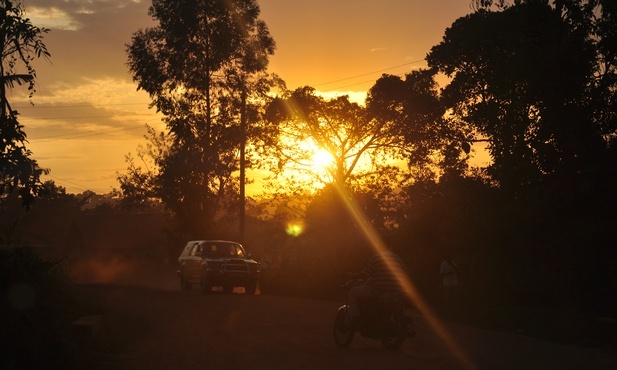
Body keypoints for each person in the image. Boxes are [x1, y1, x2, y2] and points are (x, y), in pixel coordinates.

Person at [347, 249, 406, 327]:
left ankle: (355, 318)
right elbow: (404, 276)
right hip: (395, 291)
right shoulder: (399, 260)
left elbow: (365, 274)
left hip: (377, 290)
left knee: (352, 292)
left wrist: (352, 275)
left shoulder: (376, 258)